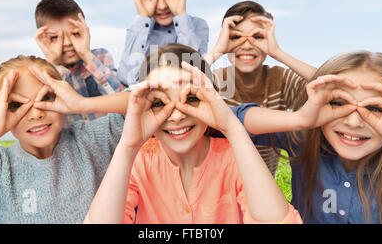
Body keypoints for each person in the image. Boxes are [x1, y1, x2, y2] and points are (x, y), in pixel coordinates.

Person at [84, 44, 302, 224]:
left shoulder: (233, 157)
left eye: (191, 98)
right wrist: (128, 146)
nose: (177, 116)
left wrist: (232, 128)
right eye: (159, 102)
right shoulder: (138, 162)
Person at [232, 50, 382, 223]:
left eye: (374, 108)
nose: (353, 122)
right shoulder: (304, 138)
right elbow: (226, 120)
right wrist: (299, 119)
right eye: (338, 102)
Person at [0, 55, 129, 223]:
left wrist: (83, 104)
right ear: (0, 111)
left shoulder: (92, 139)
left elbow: (150, 102)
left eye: (46, 97)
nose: (36, 114)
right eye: (16, 105)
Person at [204, 0, 317, 175]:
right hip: (218, 183)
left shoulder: (280, 79)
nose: (247, 45)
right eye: (235, 37)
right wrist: (217, 50)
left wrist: (277, 52)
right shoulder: (216, 80)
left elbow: (332, 84)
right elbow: (176, 84)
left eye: (257, 37)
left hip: (263, 186)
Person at [118, 0, 209, 87]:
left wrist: (180, 14)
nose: (161, 5)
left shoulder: (198, 25)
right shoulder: (139, 30)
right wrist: (142, 15)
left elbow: (190, 75)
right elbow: (129, 79)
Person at [34, 0, 124, 126]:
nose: (67, 43)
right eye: (55, 37)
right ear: (43, 39)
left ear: (86, 31)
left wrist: (86, 54)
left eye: (75, 34)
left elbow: (123, 100)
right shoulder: (41, 73)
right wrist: (52, 62)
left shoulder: (100, 56)